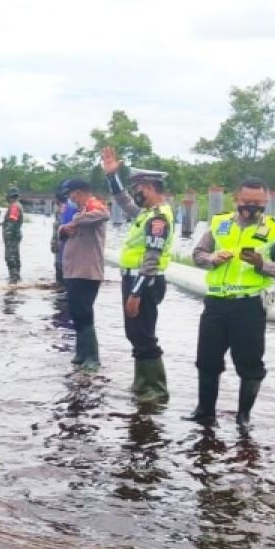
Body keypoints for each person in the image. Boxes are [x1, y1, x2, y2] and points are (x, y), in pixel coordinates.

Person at [185, 177, 275, 428]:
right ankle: (205, 411)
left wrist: (261, 264)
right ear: (236, 199)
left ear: (265, 202)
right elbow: (197, 255)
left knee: (250, 363)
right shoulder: (219, 223)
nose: (251, 207)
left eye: (258, 203)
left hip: (250, 305)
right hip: (216, 302)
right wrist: (212, 258)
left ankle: (243, 416)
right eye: (246, 201)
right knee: (207, 359)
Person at [100, 147, 175, 403]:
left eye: (139, 189)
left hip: (144, 281)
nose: (136, 194)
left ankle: (155, 389)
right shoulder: (146, 214)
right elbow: (122, 200)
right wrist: (112, 176)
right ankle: (142, 383)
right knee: (135, 333)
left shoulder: (159, 219)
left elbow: (152, 260)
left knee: (143, 334)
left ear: (152, 188)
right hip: (133, 279)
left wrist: (135, 293)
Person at [59, 179, 109, 371]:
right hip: (72, 271)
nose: (70, 197)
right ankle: (81, 353)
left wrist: (76, 221)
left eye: (71, 193)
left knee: (84, 312)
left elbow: (103, 214)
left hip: (87, 272)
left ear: (79, 193)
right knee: (76, 312)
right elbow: (63, 230)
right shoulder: (79, 210)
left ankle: (92, 357)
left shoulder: (93, 206)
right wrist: (64, 228)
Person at [50, 186, 77, 288]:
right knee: (59, 270)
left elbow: (68, 229)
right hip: (59, 247)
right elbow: (56, 229)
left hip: (66, 249)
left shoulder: (69, 208)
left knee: (64, 276)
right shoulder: (60, 209)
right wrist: (53, 243)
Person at [0, 187, 24, 281]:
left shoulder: (14, 206)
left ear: (10, 197)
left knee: (10, 257)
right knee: (15, 256)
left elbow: (13, 220)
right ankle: (16, 277)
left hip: (12, 237)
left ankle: (13, 278)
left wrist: (8, 235)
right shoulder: (17, 205)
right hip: (15, 235)